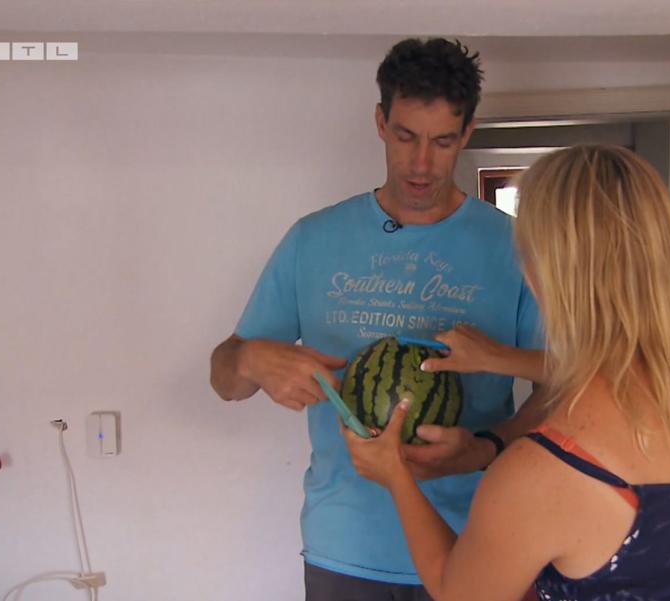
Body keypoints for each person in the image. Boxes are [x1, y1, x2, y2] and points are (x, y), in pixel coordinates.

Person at [344, 145, 670, 600]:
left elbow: (459, 593)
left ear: (541, 274)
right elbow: (625, 363)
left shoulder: (544, 472)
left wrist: (394, 473)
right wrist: (501, 359)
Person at [210, 37, 546, 600]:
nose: (420, 164)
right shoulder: (313, 239)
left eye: (442, 142)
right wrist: (248, 358)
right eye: (405, 136)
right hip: (347, 548)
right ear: (380, 122)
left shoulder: (514, 248)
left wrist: (488, 444)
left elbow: (565, 388)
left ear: (467, 133)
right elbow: (224, 380)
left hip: (477, 542)